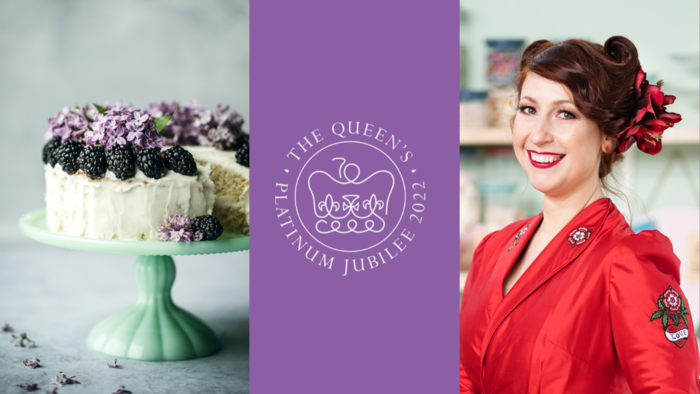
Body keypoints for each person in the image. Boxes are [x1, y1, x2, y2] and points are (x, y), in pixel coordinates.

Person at [459, 36, 699, 393]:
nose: (538, 135)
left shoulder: (630, 264)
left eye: (566, 114)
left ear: (607, 135)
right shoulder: (491, 250)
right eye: (528, 109)